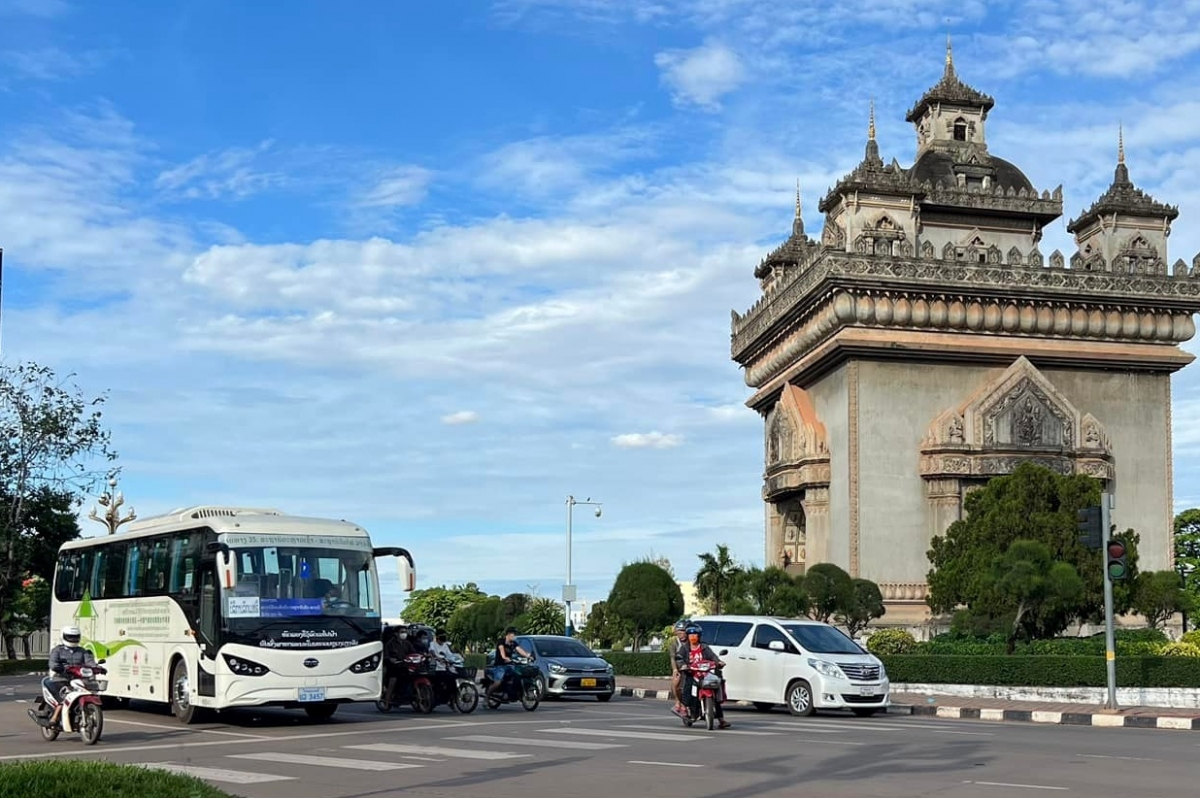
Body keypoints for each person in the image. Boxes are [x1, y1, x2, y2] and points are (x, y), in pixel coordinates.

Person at [36, 626, 98, 725]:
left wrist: (97, 668)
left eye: (75, 637)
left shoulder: (82, 651)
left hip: (77, 680)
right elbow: (52, 664)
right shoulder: (57, 650)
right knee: (64, 696)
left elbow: (90, 662)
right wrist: (60, 668)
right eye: (70, 637)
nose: (73, 639)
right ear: (63, 636)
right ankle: (54, 717)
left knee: (89, 690)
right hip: (60, 679)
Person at [674, 623, 730, 729]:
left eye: (695, 635)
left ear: (699, 636)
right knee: (688, 687)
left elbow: (713, 657)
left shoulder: (704, 647)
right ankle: (686, 708)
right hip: (691, 674)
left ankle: (721, 720)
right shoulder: (685, 648)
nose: (693, 637)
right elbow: (679, 657)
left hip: (705, 674)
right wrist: (683, 665)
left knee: (716, 684)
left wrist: (719, 662)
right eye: (691, 635)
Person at [486, 626, 532, 700]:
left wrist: (528, 655)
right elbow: (501, 650)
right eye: (513, 634)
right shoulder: (501, 641)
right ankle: (487, 697)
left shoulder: (513, 643)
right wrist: (504, 657)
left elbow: (520, 650)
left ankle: (513, 692)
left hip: (509, 665)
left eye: (515, 634)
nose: (514, 636)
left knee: (518, 674)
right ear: (508, 634)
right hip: (500, 666)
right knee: (497, 682)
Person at [381, 624, 415, 707]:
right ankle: (387, 701)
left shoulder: (407, 643)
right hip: (394, 667)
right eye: (402, 632)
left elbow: (413, 652)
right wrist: (390, 659)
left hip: (405, 665)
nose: (404, 634)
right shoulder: (390, 643)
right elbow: (386, 655)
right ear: (396, 633)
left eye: (405, 632)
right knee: (393, 681)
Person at [668, 619, 688, 717]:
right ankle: (678, 702)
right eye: (679, 632)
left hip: (691, 666)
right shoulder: (674, 643)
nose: (681, 634)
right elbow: (672, 658)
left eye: (683, 631)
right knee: (676, 683)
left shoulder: (692, 641)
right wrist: (675, 670)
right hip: (680, 667)